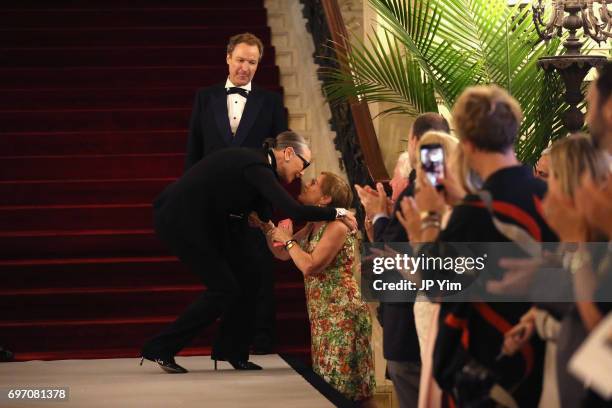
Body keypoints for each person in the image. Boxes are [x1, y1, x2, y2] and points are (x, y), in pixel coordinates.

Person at [140, 131, 356, 373]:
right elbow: (293, 210)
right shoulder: (257, 165)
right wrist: (339, 212)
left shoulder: (261, 168)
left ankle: (233, 351)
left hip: (213, 224)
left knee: (251, 276)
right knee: (224, 288)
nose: (303, 173)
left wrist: (271, 228)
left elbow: (263, 213)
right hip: (181, 220)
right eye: (304, 164)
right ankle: (160, 348)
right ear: (287, 153)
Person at [399, 85, 557, 407]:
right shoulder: (550, 197)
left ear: (466, 145)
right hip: (547, 360)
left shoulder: (474, 213)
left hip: (491, 367)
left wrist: (427, 224)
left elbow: (437, 285)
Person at [184, 32, 289, 354]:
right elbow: (195, 151)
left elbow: (281, 157)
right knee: (222, 273)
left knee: (258, 272)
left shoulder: (271, 103)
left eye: (252, 62)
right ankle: (227, 337)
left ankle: (261, 338)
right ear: (228, 57)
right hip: (213, 202)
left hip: (255, 204)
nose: (245, 67)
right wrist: (192, 198)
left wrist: (273, 204)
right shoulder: (205, 97)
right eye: (241, 60)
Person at [255, 171, 376, 406]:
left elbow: (309, 266)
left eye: (314, 183)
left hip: (343, 317)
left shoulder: (338, 226)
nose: (307, 184)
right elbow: (282, 253)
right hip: (324, 317)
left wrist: (288, 240)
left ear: (325, 199)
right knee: (332, 389)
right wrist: (267, 227)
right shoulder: (313, 224)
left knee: (354, 392)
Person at [354, 113, 450, 408]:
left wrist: (380, 214)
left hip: (412, 322)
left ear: (414, 141)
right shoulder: (447, 187)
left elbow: (395, 255)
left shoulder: (422, 190)